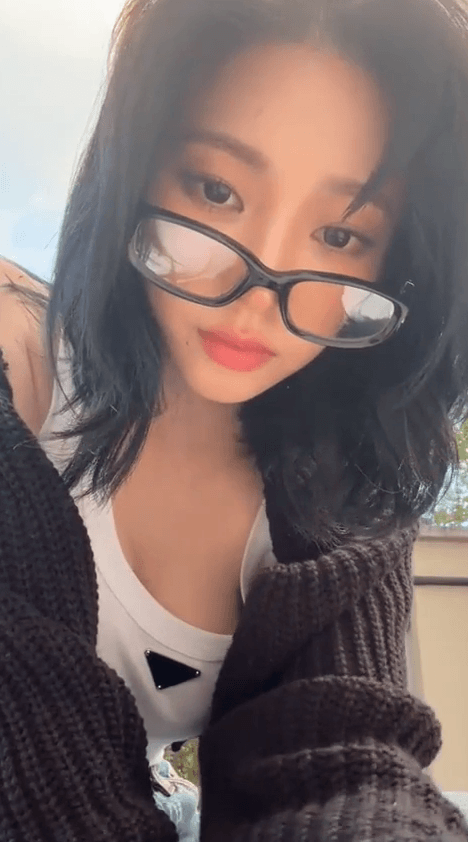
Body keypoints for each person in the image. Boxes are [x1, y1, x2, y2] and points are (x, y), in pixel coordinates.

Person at [1, 0, 468, 838]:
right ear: (138, 168)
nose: (259, 292)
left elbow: (350, 756)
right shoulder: (23, 367)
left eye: (340, 234)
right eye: (217, 191)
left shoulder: (344, 497)